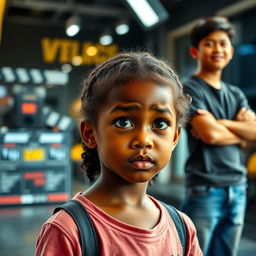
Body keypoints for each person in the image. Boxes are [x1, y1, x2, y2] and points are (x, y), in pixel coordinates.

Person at [35, 52, 202, 256]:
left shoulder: (182, 229)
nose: (143, 140)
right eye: (124, 122)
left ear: (175, 137)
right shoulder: (69, 230)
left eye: (159, 123)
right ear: (89, 133)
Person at [181, 16, 256, 256]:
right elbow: (211, 135)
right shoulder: (189, 89)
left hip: (238, 187)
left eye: (223, 43)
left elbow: (253, 132)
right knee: (194, 252)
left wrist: (221, 123)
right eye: (210, 43)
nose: (218, 49)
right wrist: (238, 131)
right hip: (205, 189)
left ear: (231, 51)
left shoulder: (236, 94)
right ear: (195, 51)